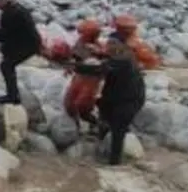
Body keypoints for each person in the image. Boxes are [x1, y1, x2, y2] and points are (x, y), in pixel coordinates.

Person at [72, 36, 146, 166]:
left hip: (129, 100)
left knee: (118, 130)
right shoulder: (120, 57)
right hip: (114, 95)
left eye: (111, 46)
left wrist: (76, 67)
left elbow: (99, 69)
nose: (108, 49)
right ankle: (102, 142)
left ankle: (114, 163)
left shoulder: (124, 61)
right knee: (104, 112)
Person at [0, 0, 43, 106]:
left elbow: (6, 34)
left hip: (27, 44)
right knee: (7, 64)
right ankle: (13, 95)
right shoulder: (15, 8)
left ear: (3, 0)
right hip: (27, 41)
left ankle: (13, 96)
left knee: (6, 65)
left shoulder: (9, 14)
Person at [62, 19, 106, 131]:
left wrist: (99, 54)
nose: (80, 35)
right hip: (79, 77)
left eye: (83, 33)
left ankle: (95, 124)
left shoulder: (98, 48)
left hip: (91, 81)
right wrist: (69, 66)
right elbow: (73, 56)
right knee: (69, 103)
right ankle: (77, 123)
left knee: (82, 105)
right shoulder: (80, 43)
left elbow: (103, 67)